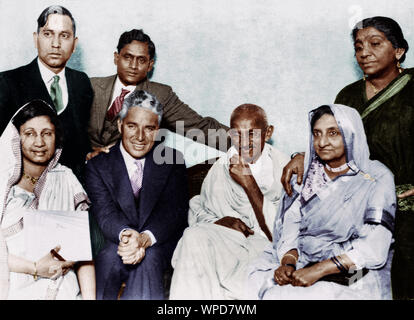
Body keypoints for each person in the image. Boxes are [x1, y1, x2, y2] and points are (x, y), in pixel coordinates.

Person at [280, 16, 414, 299]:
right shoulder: (349, 96)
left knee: (404, 256)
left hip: (408, 203)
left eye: (375, 43)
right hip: (358, 197)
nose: (364, 52)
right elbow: (335, 136)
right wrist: (303, 154)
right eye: (358, 47)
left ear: (399, 50)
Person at [248, 104, 396, 300]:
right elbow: (292, 222)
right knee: (254, 281)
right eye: (317, 134)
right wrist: (289, 260)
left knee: (311, 295)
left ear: (351, 133)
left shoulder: (375, 176)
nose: (322, 142)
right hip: (304, 259)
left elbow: (375, 248)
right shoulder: (305, 174)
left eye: (333, 133)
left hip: (355, 265)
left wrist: (319, 270)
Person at [169, 104, 289, 299]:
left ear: (268, 133)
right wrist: (220, 221)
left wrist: (249, 183)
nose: (243, 142)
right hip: (228, 242)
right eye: (236, 134)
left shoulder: (284, 168)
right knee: (194, 235)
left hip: (267, 245)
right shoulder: (220, 168)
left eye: (252, 134)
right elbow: (201, 210)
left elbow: (283, 230)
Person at [84, 90, 189, 300]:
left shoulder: (172, 160)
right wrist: (127, 237)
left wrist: (144, 240)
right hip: (118, 241)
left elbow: (173, 213)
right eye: (132, 126)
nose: (140, 137)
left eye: (149, 128)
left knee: (149, 259)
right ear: (120, 125)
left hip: (158, 242)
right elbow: (105, 213)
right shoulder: (98, 165)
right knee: (107, 257)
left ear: (158, 130)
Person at [0, 99, 95, 300]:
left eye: (47, 134)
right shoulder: (2, 181)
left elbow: (84, 256)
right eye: (30, 134)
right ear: (17, 137)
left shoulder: (66, 179)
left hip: (62, 287)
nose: (39, 143)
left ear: (57, 138)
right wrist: (34, 268)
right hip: (9, 284)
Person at [87, 29, 230, 160]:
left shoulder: (161, 95)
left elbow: (199, 128)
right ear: (116, 58)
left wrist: (247, 144)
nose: (133, 66)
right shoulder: (90, 86)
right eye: (127, 57)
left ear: (150, 65)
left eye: (141, 60)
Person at [0, 5, 93, 179]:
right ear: (36, 39)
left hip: (73, 190)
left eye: (64, 36)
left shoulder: (81, 82)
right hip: (21, 191)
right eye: (48, 34)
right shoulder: (8, 82)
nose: (56, 44)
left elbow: (81, 142)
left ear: (74, 44)